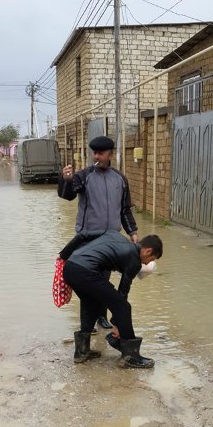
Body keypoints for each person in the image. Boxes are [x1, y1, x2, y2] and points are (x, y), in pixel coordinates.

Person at [58, 135, 138, 330]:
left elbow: (125, 209)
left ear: (110, 154)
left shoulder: (120, 179)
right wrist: (66, 180)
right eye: (94, 152)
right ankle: (88, 322)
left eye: (100, 153)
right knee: (88, 283)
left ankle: (101, 316)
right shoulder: (84, 176)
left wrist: (133, 232)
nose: (96, 156)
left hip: (110, 240)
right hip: (87, 239)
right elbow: (67, 196)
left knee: (103, 280)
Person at [60, 230, 163, 369]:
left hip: (70, 266)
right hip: (86, 271)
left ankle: (81, 351)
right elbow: (123, 293)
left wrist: (63, 255)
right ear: (148, 251)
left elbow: (83, 234)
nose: (147, 263)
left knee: (91, 303)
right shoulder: (135, 260)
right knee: (124, 307)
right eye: (151, 259)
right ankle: (130, 357)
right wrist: (117, 323)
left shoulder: (114, 234)